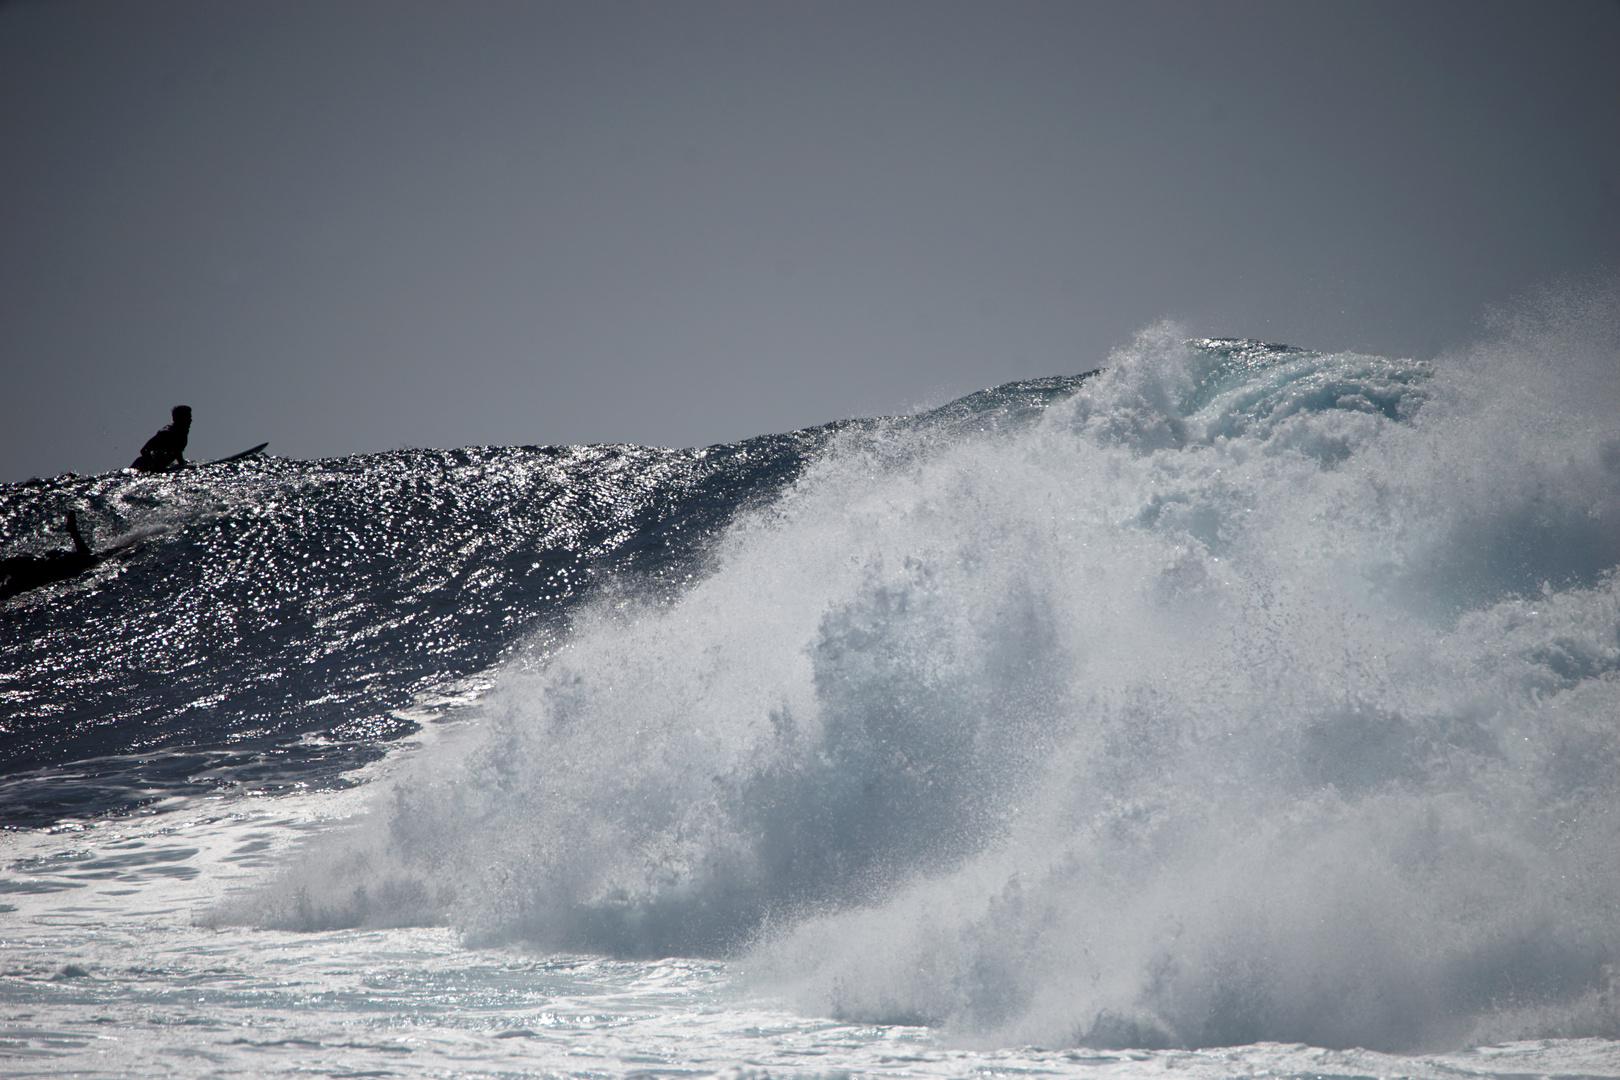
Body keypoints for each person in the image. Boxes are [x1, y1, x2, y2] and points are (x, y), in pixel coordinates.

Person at [0, 511, 99, 600]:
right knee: (90, 558)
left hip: (39, 570)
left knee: (89, 558)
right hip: (41, 570)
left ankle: (74, 533)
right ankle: (73, 533)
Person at [131, 405, 191, 472]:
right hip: (140, 468)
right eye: (187, 418)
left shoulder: (182, 432)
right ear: (178, 419)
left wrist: (182, 464)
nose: (191, 420)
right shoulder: (166, 433)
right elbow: (144, 450)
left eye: (190, 417)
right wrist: (153, 467)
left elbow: (177, 450)